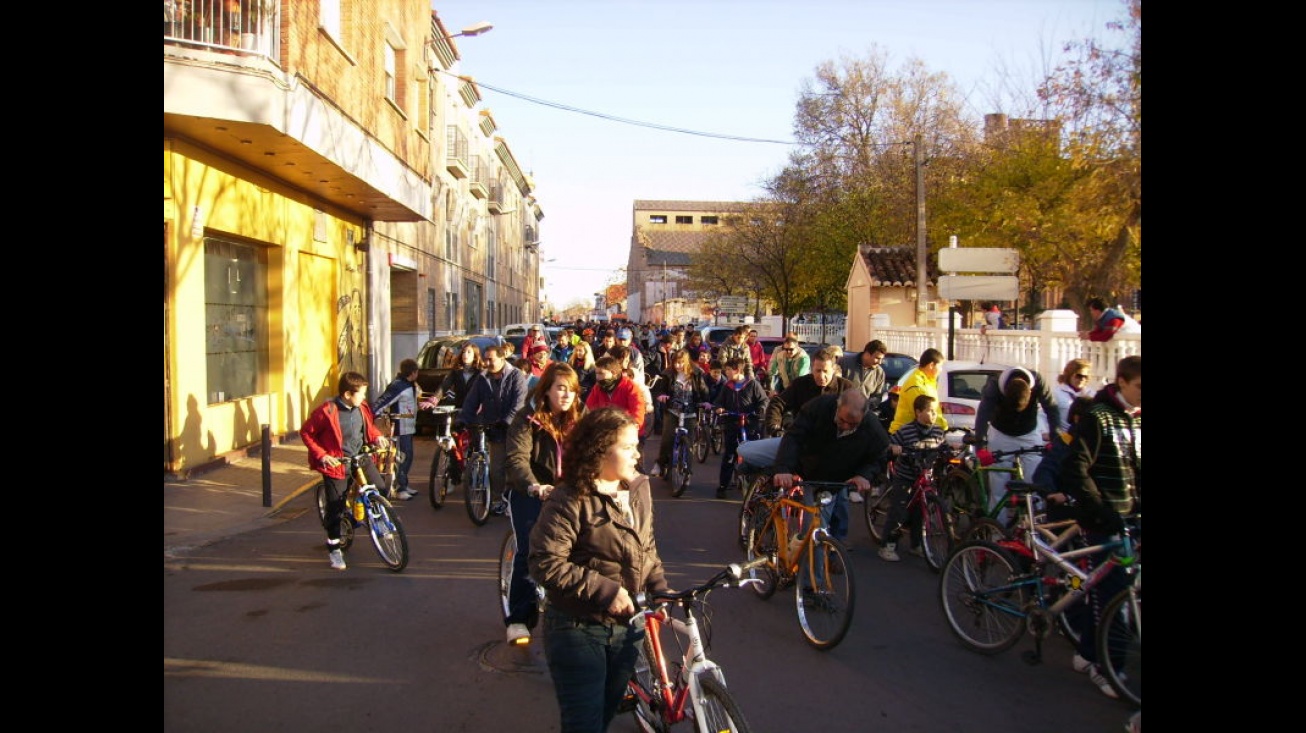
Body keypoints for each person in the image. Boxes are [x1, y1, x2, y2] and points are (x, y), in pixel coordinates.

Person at [528, 407, 669, 733]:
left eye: (637, 445)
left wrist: (659, 585)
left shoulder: (638, 489)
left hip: (628, 628)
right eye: (628, 446)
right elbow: (544, 561)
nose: (637, 453)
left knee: (605, 713)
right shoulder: (569, 498)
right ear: (599, 450)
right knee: (585, 725)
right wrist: (606, 591)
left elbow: (646, 546)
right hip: (578, 629)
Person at [1061, 354, 1141, 699]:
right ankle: (1107, 667)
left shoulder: (1132, 420)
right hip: (1104, 520)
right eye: (1139, 386)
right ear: (1121, 382)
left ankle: (1089, 653)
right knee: (1113, 598)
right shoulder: (1098, 417)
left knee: (1112, 593)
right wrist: (1100, 510)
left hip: (1128, 517)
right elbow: (1076, 468)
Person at [503, 362, 586, 646]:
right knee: (530, 549)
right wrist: (533, 485)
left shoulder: (581, 417)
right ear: (547, 389)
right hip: (529, 491)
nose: (566, 395)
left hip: (568, 493)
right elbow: (517, 458)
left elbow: (594, 451)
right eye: (560, 388)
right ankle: (518, 618)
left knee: (583, 549)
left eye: (571, 390)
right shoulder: (527, 418)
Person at [772, 388, 890, 552]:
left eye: (853, 424)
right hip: (810, 466)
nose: (846, 426)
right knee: (752, 453)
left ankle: (819, 567)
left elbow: (879, 456)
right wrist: (784, 468)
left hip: (839, 477)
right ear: (837, 406)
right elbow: (794, 437)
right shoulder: (817, 407)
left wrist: (864, 475)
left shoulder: (873, 428)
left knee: (818, 530)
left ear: (864, 416)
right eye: (842, 420)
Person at [301, 371, 389, 570]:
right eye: (362, 393)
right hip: (337, 463)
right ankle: (334, 549)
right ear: (348, 394)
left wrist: (376, 437)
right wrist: (323, 455)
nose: (365, 397)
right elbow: (306, 432)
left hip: (360, 458)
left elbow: (367, 428)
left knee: (381, 489)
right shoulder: (327, 411)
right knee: (336, 509)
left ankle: (380, 520)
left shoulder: (361, 407)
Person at [973, 365, 1060, 521]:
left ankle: (1037, 528)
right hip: (1000, 433)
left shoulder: (1038, 381)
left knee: (1036, 483)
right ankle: (997, 533)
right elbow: (983, 415)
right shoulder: (994, 386)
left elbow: (1052, 409)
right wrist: (981, 447)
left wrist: (1055, 438)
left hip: (1029, 433)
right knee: (998, 486)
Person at [460, 345, 531, 516]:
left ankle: (516, 499)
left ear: (502, 359)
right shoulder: (482, 378)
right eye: (485, 359)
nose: (487, 362)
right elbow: (471, 401)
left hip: (515, 429)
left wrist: (507, 421)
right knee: (496, 468)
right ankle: (497, 500)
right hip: (493, 428)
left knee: (515, 465)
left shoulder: (516, 376)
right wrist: (462, 419)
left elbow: (519, 403)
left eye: (490, 359)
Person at [878, 394, 948, 561]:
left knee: (920, 513)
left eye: (935, 411)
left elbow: (943, 447)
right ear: (918, 412)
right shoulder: (906, 430)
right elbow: (890, 444)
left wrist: (948, 451)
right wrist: (894, 447)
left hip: (925, 478)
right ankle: (887, 544)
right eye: (929, 411)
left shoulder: (938, 431)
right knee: (899, 510)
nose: (933, 414)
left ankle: (916, 544)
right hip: (906, 477)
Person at [712, 356, 768, 499]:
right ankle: (723, 485)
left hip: (750, 424)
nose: (726, 373)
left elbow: (763, 400)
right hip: (732, 422)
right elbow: (718, 402)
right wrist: (719, 408)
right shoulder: (727, 386)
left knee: (754, 454)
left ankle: (756, 485)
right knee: (729, 455)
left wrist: (760, 409)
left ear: (737, 370)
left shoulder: (752, 384)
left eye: (729, 370)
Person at [652, 347, 711, 478]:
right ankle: (660, 464)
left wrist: (706, 402)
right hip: (673, 410)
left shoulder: (696, 373)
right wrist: (662, 395)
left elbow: (703, 389)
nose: (678, 366)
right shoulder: (668, 373)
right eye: (676, 363)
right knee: (667, 438)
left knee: (689, 443)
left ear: (687, 362)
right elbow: (660, 389)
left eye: (681, 362)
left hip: (690, 412)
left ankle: (687, 471)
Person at [371, 358, 421, 501]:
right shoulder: (398, 386)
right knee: (402, 457)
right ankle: (400, 489)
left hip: (409, 427)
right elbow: (381, 402)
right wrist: (377, 416)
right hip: (400, 428)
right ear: (413, 372)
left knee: (408, 456)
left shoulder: (410, 385)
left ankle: (404, 484)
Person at [889, 348, 948, 434]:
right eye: (940, 366)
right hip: (905, 435)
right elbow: (924, 411)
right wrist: (944, 427)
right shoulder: (916, 384)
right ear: (931, 365)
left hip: (917, 432)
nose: (941, 370)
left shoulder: (929, 381)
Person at [839, 339, 888, 406]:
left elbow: (877, 396)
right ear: (867, 354)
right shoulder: (844, 363)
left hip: (862, 413)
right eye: (877, 358)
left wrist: (868, 405)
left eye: (882, 359)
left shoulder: (879, 373)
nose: (880, 362)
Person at [1052, 358, 1094, 432]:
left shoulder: (1091, 394)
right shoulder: (1057, 393)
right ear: (1069, 374)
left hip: (1085, 436)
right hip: (1064, 435)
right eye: (1079, 376)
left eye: (1085, 376)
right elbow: (1044, 415)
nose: (1082, 379)